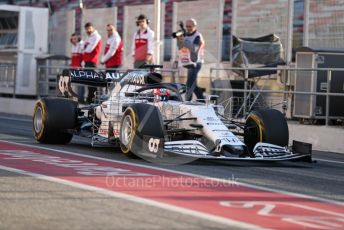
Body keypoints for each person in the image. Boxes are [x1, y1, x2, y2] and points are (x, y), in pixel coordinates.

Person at [177, 18, 205, 101]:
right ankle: (202, 100)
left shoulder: (197, 36)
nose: (188, 28)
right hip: (189, 62)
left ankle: (187, 101)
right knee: (193, 83)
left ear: (194, 26)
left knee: (189, 83)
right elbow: (180, 47)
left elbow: (194, 48)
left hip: (196, 62)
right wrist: (180, 38)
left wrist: (184, 41)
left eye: (190, 26)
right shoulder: (185, 35)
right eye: (186, 26)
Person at [83, 22, 102, 103]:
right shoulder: (89, 37)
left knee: (92, 81)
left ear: (93, 28)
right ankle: (89, 99)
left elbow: (89, 49)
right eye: (86, 29)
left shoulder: (96, 36)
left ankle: (94, 100)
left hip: (92, 61)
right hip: (87, 61)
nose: (88, 30)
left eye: (89, 28)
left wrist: (85, 48)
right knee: (88, 81)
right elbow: (84, 47)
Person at [70, 33, 85, 102]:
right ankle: (75, 97)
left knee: (80, 84)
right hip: (73, 68)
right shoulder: (73, 46)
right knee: (74, 83)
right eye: (73, 39)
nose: (74, 40)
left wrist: (82, 66)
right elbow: (73, 57)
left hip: (79, 68)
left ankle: (81, 98)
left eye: (75, 39)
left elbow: (83, 57)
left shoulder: (81, 45)